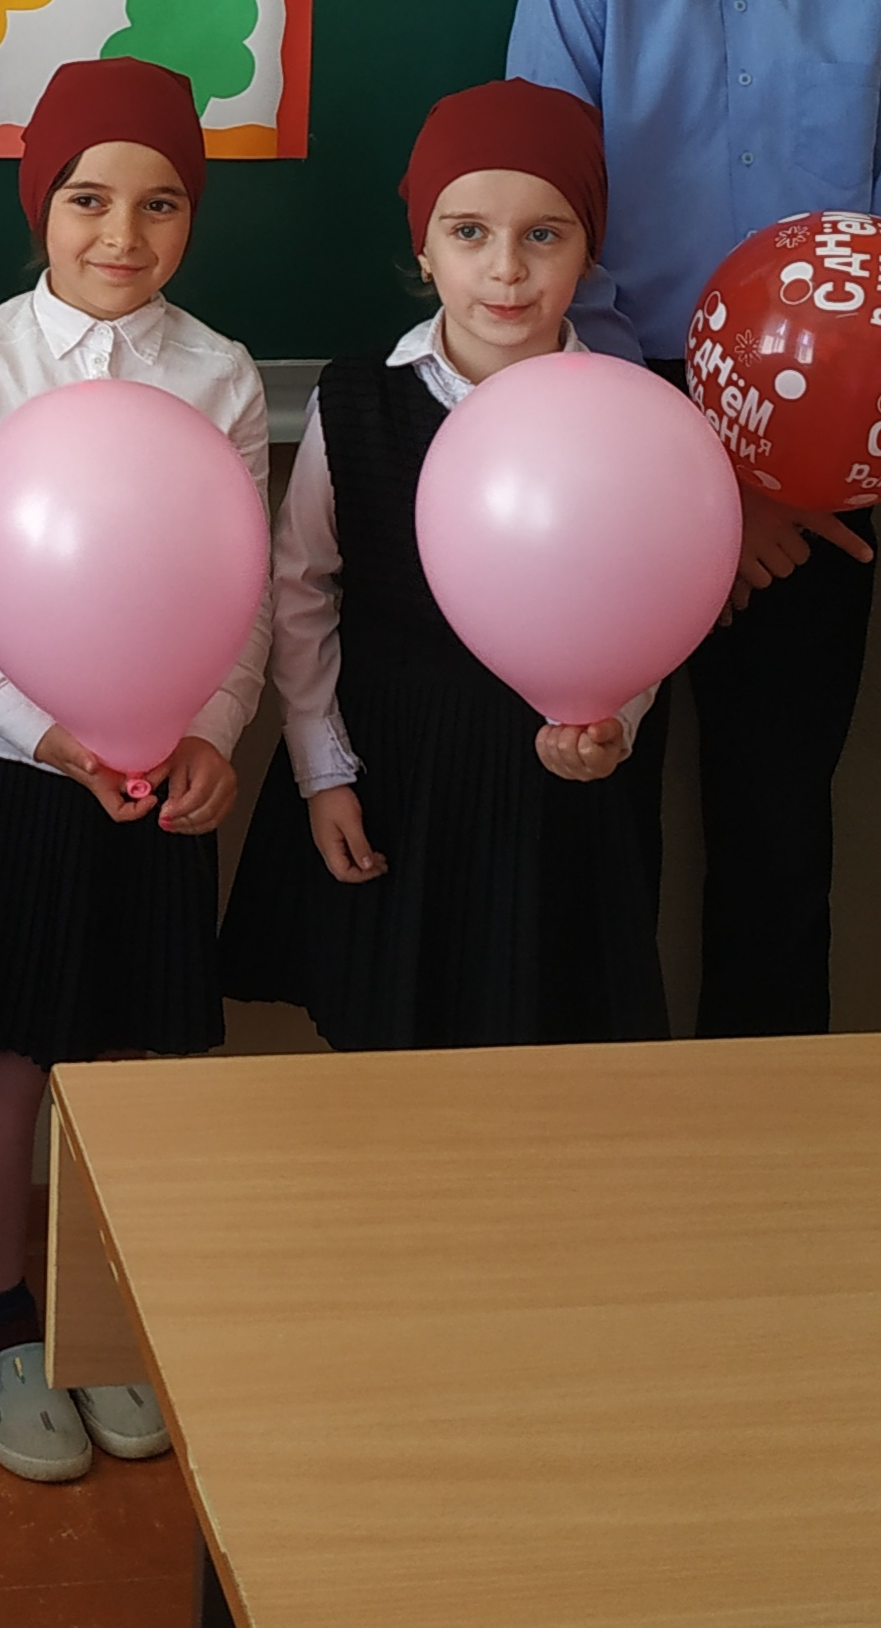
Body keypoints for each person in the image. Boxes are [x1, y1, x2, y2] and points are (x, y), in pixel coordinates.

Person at [507, 0, 881, 1039]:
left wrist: (785, 478)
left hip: (822, 460)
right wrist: (706, 483)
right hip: (620, 446)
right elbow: (542, 250)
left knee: (780, 828)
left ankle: (771, 1137)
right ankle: (603, 1124)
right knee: (600, 816)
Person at [0, 56, 268, 1485]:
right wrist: (47, 732)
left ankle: (102, 1322)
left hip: (160, 777)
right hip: (13, 775)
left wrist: (213, 731)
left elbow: (235, 595)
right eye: (89, 198)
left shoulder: (220, 374)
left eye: (160, 203)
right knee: (2, 1053)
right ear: (38, 205)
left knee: (128, 1062)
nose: (122, 232)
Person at [218, 79, 670, 1049]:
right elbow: (300, 583)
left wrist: (614, 719)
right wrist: (322, 770)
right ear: (423, 249)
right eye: (469, 232)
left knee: (540, 1040)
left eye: (543, 234)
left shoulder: (629, 417)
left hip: (554, 785)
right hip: (392, 772)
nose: (506, 269)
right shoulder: (358, 400)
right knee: (387, 1046)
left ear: (588, 248)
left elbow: (659, 592)